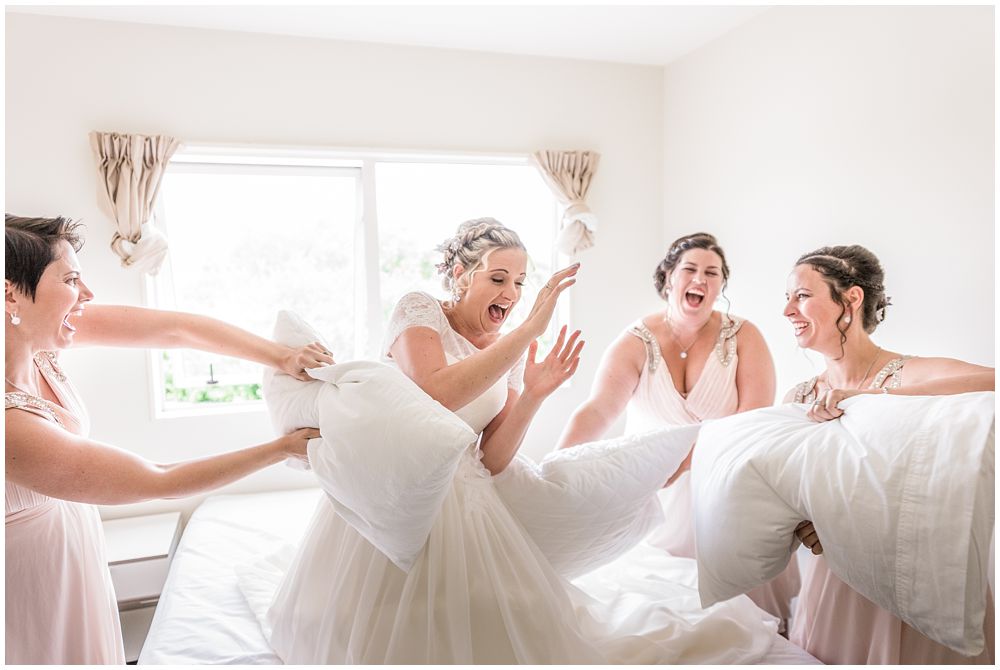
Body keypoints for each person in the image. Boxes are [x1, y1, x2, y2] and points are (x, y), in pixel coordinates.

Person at [252, 218, 778, 664]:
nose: (510, 294)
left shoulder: (503, 348)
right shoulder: (420, 312)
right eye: (497, 278)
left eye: (520, 283)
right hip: (395, 490)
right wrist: (529, 331)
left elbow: (494, 458)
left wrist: (534, 395)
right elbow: (435, 396)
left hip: (464, 502)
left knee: (500, 630)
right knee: (373, 627)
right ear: (460, 275)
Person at [5, 214, 329, 664]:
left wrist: (282, 356)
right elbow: (158, 478)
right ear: (10, 294)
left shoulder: (40, 342)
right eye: (72, 279)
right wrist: (282, 448)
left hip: (72, 559)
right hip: (29, 588)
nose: (88, 295)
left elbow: (177, 329)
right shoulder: (11, 429)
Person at [556, 232, 800, 627]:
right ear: (668, 278)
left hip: (726, 489)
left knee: (741, 620)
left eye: (712, 273)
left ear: (721, 285)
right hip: (656, 491)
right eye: (689, 269)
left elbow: (752, 421)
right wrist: (557, 466)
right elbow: (598, 409)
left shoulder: (744, 337)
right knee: (658, 614)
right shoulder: (637, 341)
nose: (700, 280)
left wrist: (686, 462)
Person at [784, 244, 994, 664]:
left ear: (851, 299)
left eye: (802, 295)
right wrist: (802, 522)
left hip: (920, 573)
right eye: (787, 298)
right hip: (837, 582)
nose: (788, 310)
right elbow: (785, 488)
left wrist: (869, 398)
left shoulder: (906, 373)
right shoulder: (799, 397)